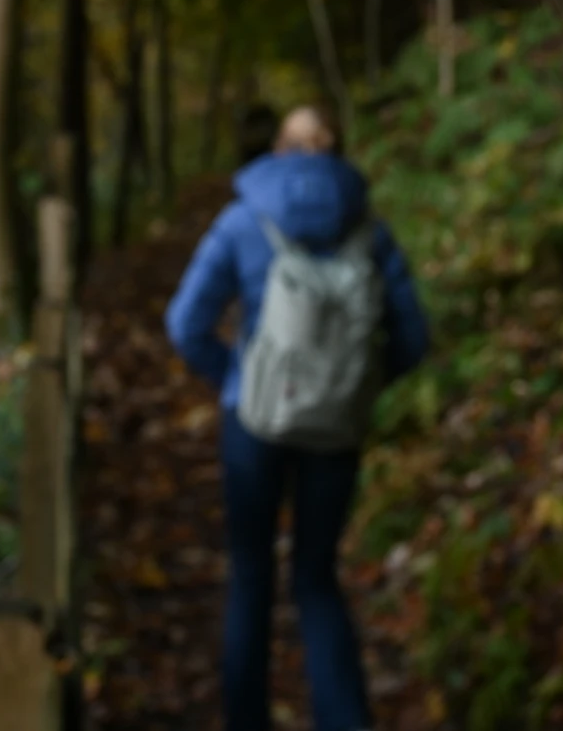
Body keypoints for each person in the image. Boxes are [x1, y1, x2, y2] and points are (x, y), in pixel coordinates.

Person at [165, 106, 429, 731]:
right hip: (336, 428)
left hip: (252, 423)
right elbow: (412, 338)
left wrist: (237, 381)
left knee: (251, 573)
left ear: (279, 150)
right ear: (338, 151)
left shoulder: (241, 220)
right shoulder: (371, 230)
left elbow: (185, 325)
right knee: (316, 577)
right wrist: (355, 388)